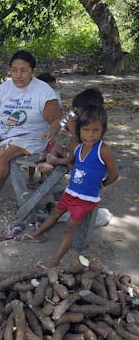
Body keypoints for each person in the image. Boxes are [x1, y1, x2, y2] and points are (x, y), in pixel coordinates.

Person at [20, 104, 119, 269]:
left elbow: (114, 174)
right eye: (86, 130)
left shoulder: (104, 150)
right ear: (80, 131)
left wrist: (101, 184)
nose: (90, 135)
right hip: (70, 192)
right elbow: (72, 163)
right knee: (54, 214)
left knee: (70, 227)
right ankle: (36, 233)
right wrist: (53, 161)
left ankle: (55, 260)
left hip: (86, 199)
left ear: (103, 130)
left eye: (96, 130)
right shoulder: (79, 147)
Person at [0, 50, 62, 219]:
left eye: (23, 70)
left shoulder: (43, 91)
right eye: (14, 70)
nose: (18, 75)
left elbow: (57, 119)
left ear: (32, 72)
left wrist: (52, 131)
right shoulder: (5, 88)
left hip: (31, 139)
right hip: (5, 136)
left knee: (2, 154)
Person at [33, 87, 105, 181]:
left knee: (66, 156)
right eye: (75, 109)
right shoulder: (80, 118)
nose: (76, 112)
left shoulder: (94, 124)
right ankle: (49, 164)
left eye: (78, 110)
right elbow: (62, 124)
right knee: (55, 147)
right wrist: (65, 124)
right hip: (69, 153)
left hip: (80, 157)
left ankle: (58, 162)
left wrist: (71, 127)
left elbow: (80, 139)